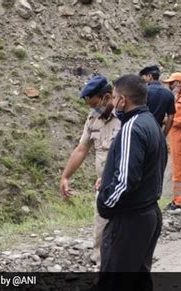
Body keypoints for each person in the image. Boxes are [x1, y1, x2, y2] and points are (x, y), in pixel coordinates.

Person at [97, 75, 167, 283]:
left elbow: (126, 180)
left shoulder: (131, 128)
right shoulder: (151, 122)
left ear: (123, 100)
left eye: (115, 97)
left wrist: (105, 202)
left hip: (129, 219)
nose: (113, 102)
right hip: (148, 213)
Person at [59, 76, 120, 266]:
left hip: (123, 182)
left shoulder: (125, 118)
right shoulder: (93, 118)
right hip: (103, 184)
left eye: (95, 104)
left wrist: (111, 175)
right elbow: (82, 149)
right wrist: (65, 176)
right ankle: (101, 262)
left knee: (123, 228)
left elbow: (129, 154)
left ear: (107, 97)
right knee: (101, 225)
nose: (93, 109)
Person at [161, 73, 181, 210]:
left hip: (180, 137)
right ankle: (178, 199)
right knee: (177, 167)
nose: (169, 86)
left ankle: (179, 201)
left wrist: (166, 120)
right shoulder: (178, 97)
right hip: (175, 136)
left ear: (179, 83)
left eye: (171, 83)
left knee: (180, 168)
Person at [139, 65, 175, 135]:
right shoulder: (168, 94)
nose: (143, 79)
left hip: (142, 131)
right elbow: (170, 118)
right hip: (157, 132)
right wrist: (164, 135)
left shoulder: (143, 92)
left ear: (150, 76)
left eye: (144, 77)